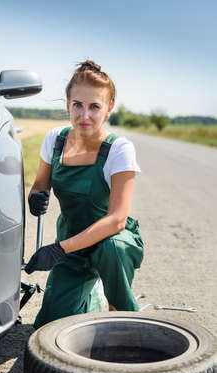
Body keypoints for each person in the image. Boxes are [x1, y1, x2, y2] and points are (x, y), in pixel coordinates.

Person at [25, 60, 144, 329]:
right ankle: (90, 295)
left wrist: (57, 249)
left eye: (94, 107)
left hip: (111, 242)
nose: (84, 115)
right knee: (47, 329)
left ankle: (120, 309)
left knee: (113, 249)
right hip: (72, 244)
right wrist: (35, 198)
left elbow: (116, 221)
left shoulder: (119, 149)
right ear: (67, 105)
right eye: (77, 104)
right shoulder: (55, 140)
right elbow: (39, 186)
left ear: (109, 108)